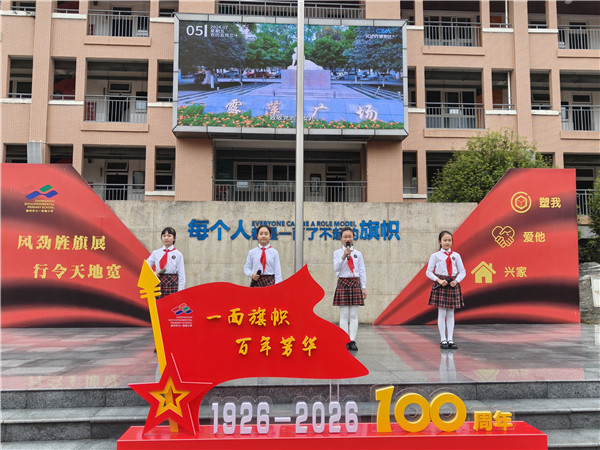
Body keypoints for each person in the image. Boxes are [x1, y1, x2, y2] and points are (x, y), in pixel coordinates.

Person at [426, 231, 466, 350]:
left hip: (452, 284)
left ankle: (450, 339)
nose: (447, 242)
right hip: (441, 284)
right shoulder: (435, 256)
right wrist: (438, 280)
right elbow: (428, 272)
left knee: (451, 314)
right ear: (440, 241)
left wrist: (456, 281)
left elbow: (463, 271)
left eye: (449, 240)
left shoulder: (456, 256)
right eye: (445, 240)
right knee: (442, 313)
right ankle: (443, 339)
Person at [333, 227, 366, 352]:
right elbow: (336, 268)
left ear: (353, 238)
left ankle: (352, 340)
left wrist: (363, 287)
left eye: (350, 236)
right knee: (344, 314)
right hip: (343, 282)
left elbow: (362, 271)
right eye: (345, 236)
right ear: (341, 238)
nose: (348, 239)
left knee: (353, 314)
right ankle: (344, 340)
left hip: (355, 283)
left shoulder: (358, 254)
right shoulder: (337, 253)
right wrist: (343, 256)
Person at [146, 227, 186, 298]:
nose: (166, 238)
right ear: (161, 238)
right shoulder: (156, 253)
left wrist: (180, 291)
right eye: (164, 236)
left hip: (172, 283)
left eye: (169, 236)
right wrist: (152, 273)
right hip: (158, 282)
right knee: (159, 303)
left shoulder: (178, 254)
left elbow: (181, 274)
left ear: (174, 238)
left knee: (171, 303)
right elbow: (146, 265)